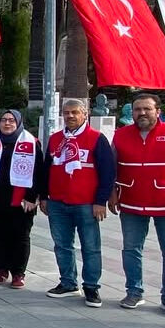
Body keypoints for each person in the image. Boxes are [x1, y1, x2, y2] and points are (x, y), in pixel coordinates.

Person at [108, 93, 165, 317]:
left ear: (158, 111)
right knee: (131, 250)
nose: (142, 113)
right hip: (131, 202)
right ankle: (134, 291)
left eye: (147, 109)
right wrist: (112, 193)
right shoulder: (120, 135)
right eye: (137, 109)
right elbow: (111, 168)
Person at [40, 98, 115, 307]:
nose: (70, 116)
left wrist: (101, 201)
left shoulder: (97, 139)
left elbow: (108, 173)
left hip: (86, 203)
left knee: (90, 247)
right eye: (66, 113)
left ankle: (91, 287)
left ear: (85, 114)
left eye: (75, 112)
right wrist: (44, 196)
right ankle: (68, 283)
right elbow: (47, 169)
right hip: (58, 202)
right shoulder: (55, 139)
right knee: (62, 245)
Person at [0, 110, 42, 289]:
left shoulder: (31, 142)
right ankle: (1, 269)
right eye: (3, 120)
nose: (7, 123)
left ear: (18, 122)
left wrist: (32, 197)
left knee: (20, 236)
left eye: (11, 120)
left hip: (21, 200)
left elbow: (38, 172)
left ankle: (18, 273)